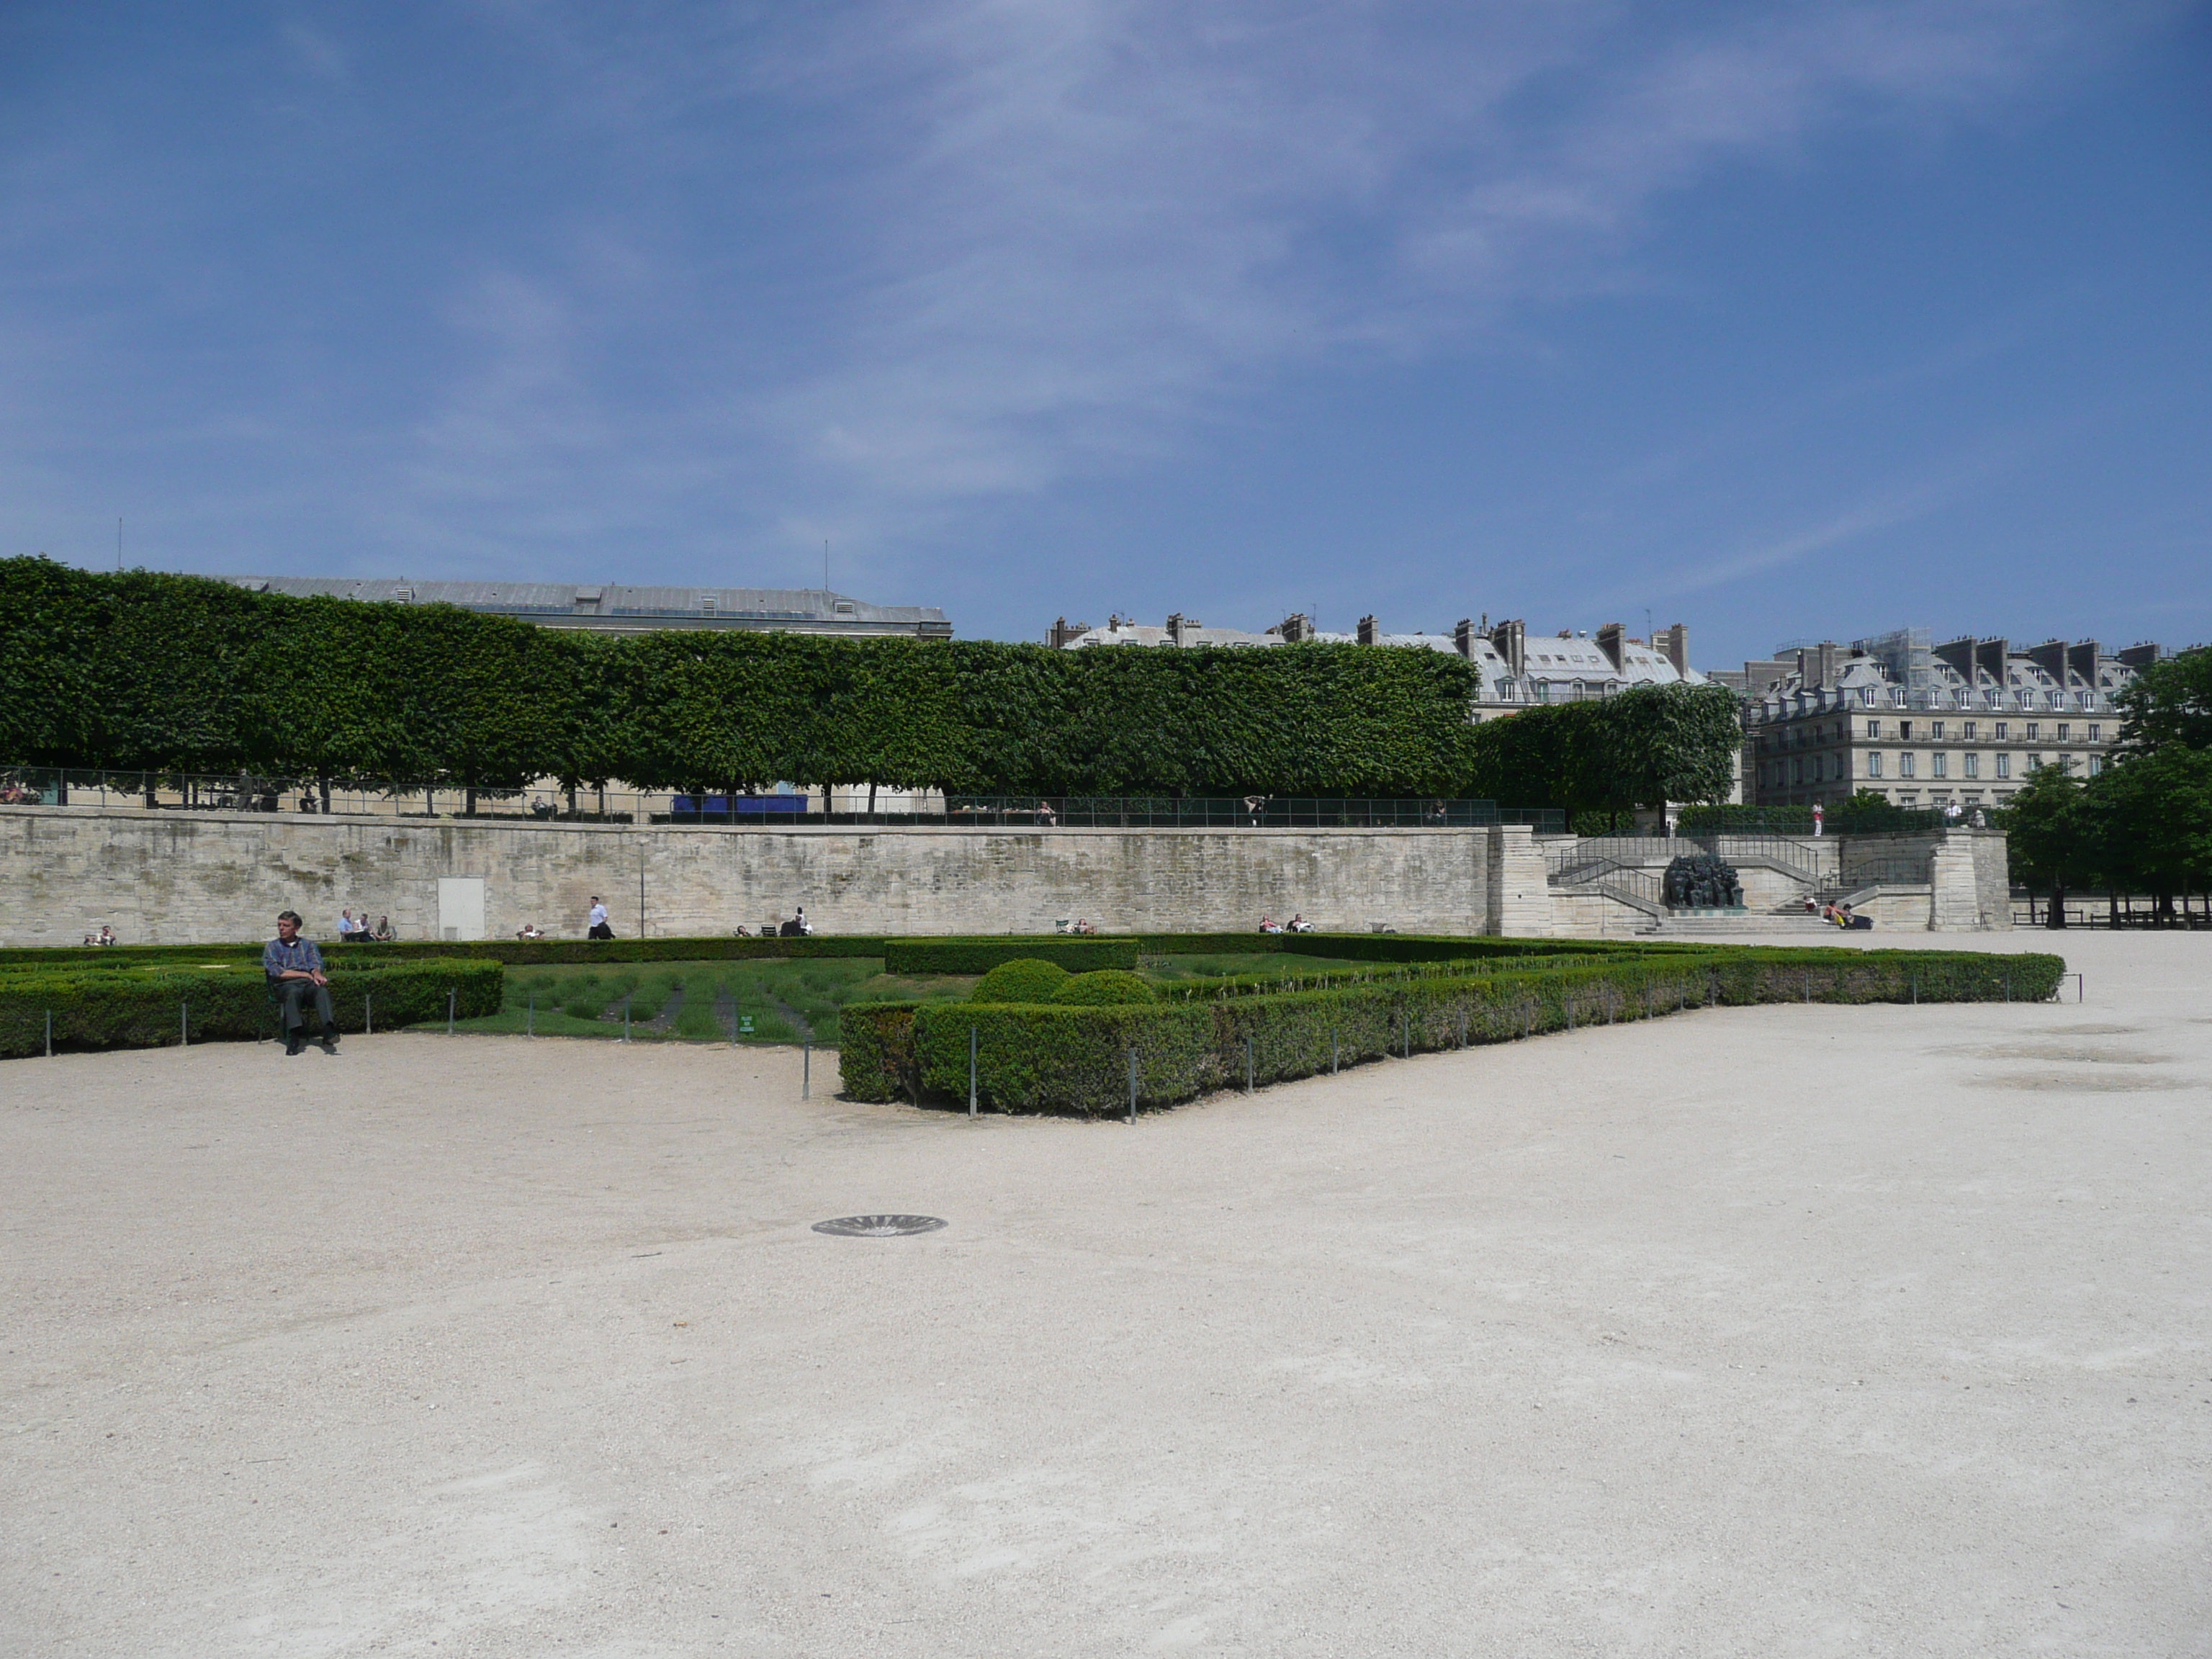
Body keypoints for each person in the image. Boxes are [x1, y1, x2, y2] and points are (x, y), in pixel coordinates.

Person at [264, 909, 338, 1056]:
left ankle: (328, 1030)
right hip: (285, 984)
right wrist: (304, 974)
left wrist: (317, 974)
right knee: (293, 992)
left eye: (286, 925)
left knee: (321, 990)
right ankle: (294, 1036)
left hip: (307, 983)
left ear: (296, 928)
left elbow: (316, 963)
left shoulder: (308, 945)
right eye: (279, 925)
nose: (281, 929)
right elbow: (277, 972)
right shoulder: (272, 947)